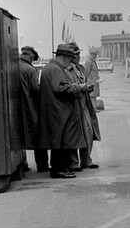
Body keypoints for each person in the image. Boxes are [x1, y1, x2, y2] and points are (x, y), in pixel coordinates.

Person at [35, 43, 92, 179]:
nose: (70, 63)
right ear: (64, 58)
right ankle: (59, 169)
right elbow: (61, 88)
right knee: (61, 141)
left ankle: (61, 168)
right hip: (59, 111)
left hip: (56, 110)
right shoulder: (55, 69)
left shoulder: (51, 68)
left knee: (59, 141)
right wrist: (80, 88)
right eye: (69, 60)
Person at [69, 44, 101, 171]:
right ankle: (74, 162)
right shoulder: (66, 70)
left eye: (78, 54)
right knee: (74, 134)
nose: (77, 56)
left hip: (84, 103)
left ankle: (86, 160)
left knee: (88, 132)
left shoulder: (80, 68)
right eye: (74, 54)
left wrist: (89, 86)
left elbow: (85, 80)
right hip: (74, 104)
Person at [18, 46, 44, 172]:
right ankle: (42, 165)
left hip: (18, 107)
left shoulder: (15, 66)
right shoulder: (30, 69)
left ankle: (22, 163)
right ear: (30, 56)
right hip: (30, 107)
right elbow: (36, 89)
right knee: (39, 136)